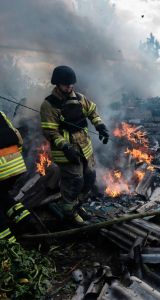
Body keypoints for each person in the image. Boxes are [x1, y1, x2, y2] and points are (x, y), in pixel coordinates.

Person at [40, 65, 109, 227]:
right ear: (57, 84)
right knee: (74, 181)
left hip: (85, 148)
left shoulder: (79, 98)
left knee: (90, 177)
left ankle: (76, 206)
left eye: (71, 84)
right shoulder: (49, 105)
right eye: (66, 84)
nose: (70, 87)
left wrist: (100, 126)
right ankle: (69, 214)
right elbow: (50, 132)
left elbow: (92, 112)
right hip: (66, 151)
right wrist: (65, 147)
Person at [0, 111, 33, 242]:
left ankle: (8, 246)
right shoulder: (1, 113)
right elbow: (18, 137)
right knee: (2, 196)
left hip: (1, 170)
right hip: (16, 164)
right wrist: (15, 158)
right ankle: (27, 224)